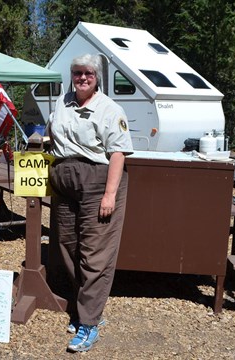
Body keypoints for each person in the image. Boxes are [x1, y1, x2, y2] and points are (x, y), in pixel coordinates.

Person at [47, 54, 133, 352]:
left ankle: (89, 323)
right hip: (64, 181)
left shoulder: (109, 108)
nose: (82, 77)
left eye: (88, 73)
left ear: (97, 77)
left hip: (98, 181)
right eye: (77, 72)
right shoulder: (63, 101)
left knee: (95, 253)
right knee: (68, 246)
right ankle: (86, 307)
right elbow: (52, 132)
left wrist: (109, 194)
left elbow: (118, 153)